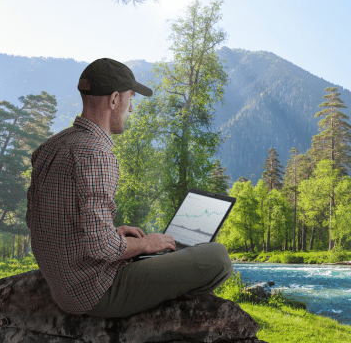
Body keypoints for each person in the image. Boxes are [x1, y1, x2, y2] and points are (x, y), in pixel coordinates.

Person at [26, 58, 233, 318]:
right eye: (130, 99)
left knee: (152, 248)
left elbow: (40, 221)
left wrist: (114, 234)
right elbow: (102, 248)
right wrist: (146, 244)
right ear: (114, 100)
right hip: (94, 292)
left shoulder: (52, 146)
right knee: (218, 258)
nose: (131, 109)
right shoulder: (97, 154)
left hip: (62, 284)